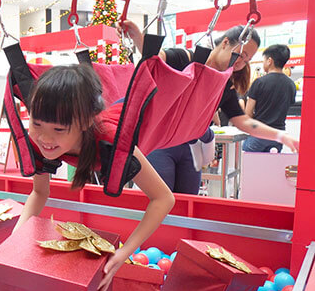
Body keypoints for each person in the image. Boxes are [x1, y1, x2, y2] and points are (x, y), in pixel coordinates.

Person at [12, 65, 175, 291]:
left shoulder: (112, 141)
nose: (45, 138)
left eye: (59, 129)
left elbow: (163, 198)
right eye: (37, 124)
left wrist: (123, 253)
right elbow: (39, 193)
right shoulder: (37, 141)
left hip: (151, 115)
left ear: (85, 122)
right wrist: (16, 237)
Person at [120, 21, 299, 194]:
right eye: (240, 55)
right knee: (161, 201)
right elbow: (156, 59)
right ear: (226, 43)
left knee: (188, 205)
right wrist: (137, 37)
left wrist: (280, 135)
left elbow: (243, 121)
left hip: (191, 149)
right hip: (160, 145)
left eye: (247, 60)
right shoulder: (186, 59)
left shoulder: (224, 84)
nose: (240, 63)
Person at [243, 44, 296, 152]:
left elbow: (247, 114)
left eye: (264, 60)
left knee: (250, 166)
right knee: (271, 167)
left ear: (269, 61)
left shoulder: (259, 82)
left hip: (259, 133)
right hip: (279, 135)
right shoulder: (291, 85)